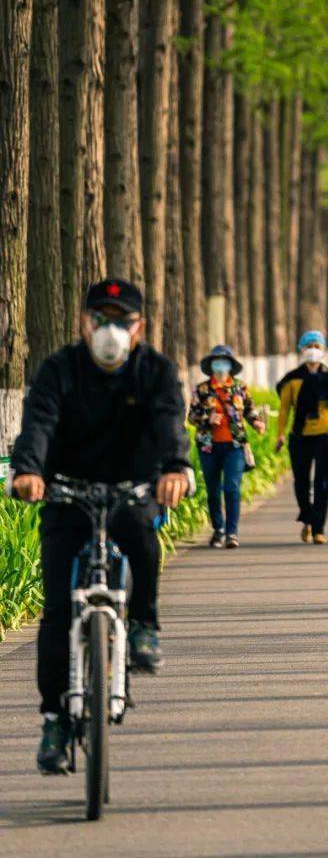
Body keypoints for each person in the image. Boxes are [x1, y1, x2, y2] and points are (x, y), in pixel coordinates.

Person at [9, 277, 192, 774]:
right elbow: (39, 424)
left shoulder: (154, 371)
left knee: (144, 542)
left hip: (131, 490)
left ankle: (145, 624)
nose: (110, 330)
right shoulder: (59, 370)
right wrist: (27, 470)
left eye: (122, 321)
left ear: (140, 328)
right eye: (101, 319)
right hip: (67, 494)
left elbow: (170, 421)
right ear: (83, 323)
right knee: (55, 615)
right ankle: (54, 719)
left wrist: (176, 469)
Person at [276, 329, 328, 544]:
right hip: (299, 437)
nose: (313, 351)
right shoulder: (292, 380)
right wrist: (280, 435)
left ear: (324, 351)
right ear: (302, 350)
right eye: (309, 347)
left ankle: (319, 528)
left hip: (326, 435)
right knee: (301, 482)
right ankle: (307, 517)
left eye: (317, 347)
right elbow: (284, 410)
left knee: (323, 482)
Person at [187, 344, 265, 548]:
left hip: (235, 446)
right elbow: (192, 416)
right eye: (217, 362)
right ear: (211, 365)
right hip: (209, 447)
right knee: (213, 490)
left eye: (224, 362)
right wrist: (207, 417)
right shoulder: (202, 390)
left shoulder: (240, 387)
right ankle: (218, 530)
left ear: (231, 365)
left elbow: (249, 409)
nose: (221, 366)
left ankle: (232, 532)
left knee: (232, 487)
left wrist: (256, 422)